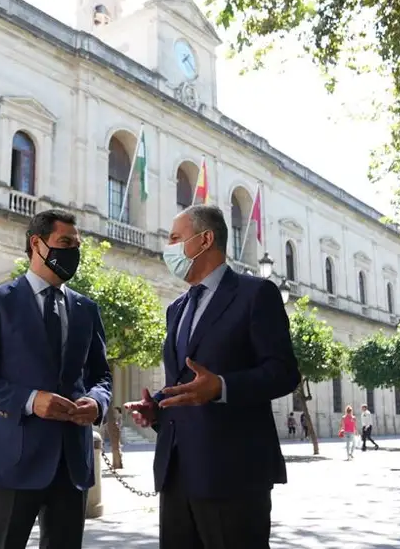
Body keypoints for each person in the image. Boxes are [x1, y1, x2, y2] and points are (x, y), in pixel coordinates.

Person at [123, 205, 300, 549]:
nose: (168, 247)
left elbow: (283, 373)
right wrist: (157, 406)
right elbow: (187, 379)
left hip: (233, 475)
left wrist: (222, 387)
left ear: (205, 240)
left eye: (175, 238)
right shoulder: (176, 308)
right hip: (176, 473)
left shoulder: (255, 295)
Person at [0, 209, 112, 549]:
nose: (73, 251)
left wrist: (97, 402)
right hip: (12, 461)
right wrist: (29, 400)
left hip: (72, 465)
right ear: (37, 244)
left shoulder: (87, 309)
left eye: (77, 245)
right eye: (64, 242)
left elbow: (101, 375)